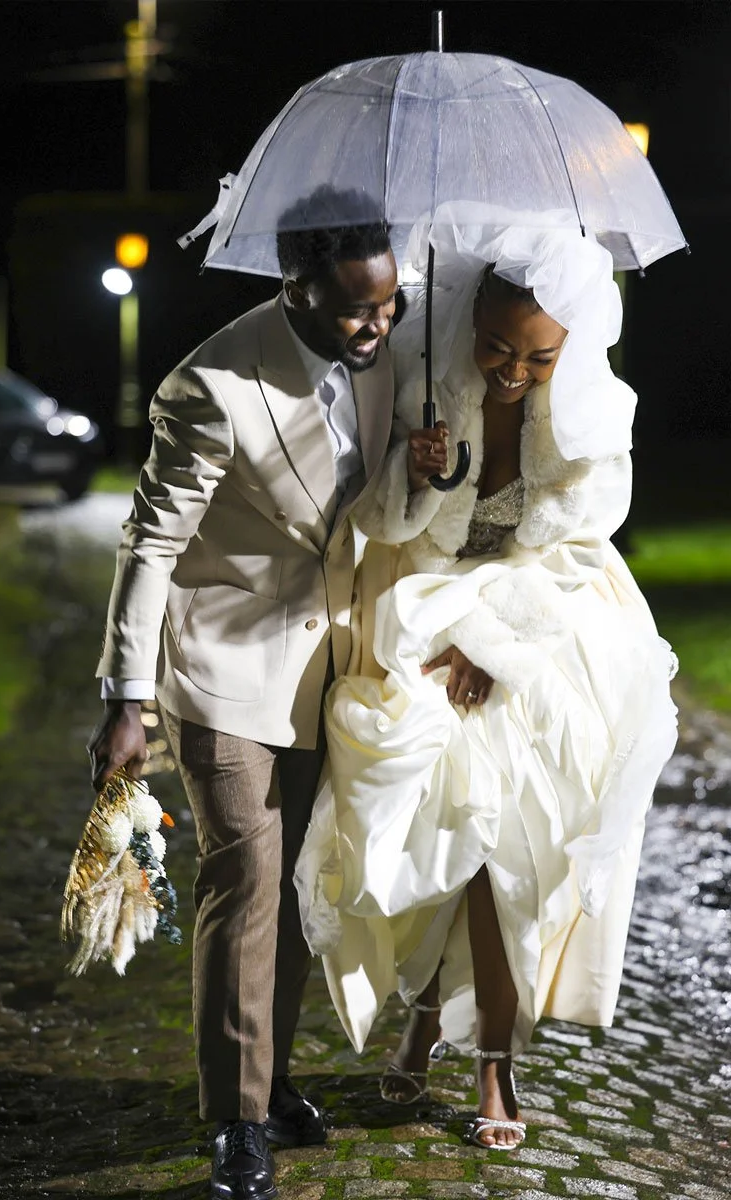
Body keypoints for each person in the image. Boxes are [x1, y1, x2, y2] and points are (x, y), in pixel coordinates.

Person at [295, 216, 678, 1151]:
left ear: (570, 349)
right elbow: (383, 527)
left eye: (538, 357)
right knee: (435, 838)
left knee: (508, 848)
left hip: (544, 630)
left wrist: (494, 648)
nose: (512, 370)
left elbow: (578, 555)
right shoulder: (427, 389)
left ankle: (495, 1067)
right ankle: (424, 1019)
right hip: (423, 613)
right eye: (498, 347)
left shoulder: (591, 419)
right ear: (470, 324)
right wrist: (418, 477)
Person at [88, 188, 398, 1200]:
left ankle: (266, 1082)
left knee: (301, 884)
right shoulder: (210, 384)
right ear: (295, 284)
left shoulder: (392, 352)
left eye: (388, 306)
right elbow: (151, 545)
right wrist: (127, 698)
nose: (377, 324)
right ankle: (234, 1120)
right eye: (358, 308)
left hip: (331, 666)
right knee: (247, 876)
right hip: (222, 667)